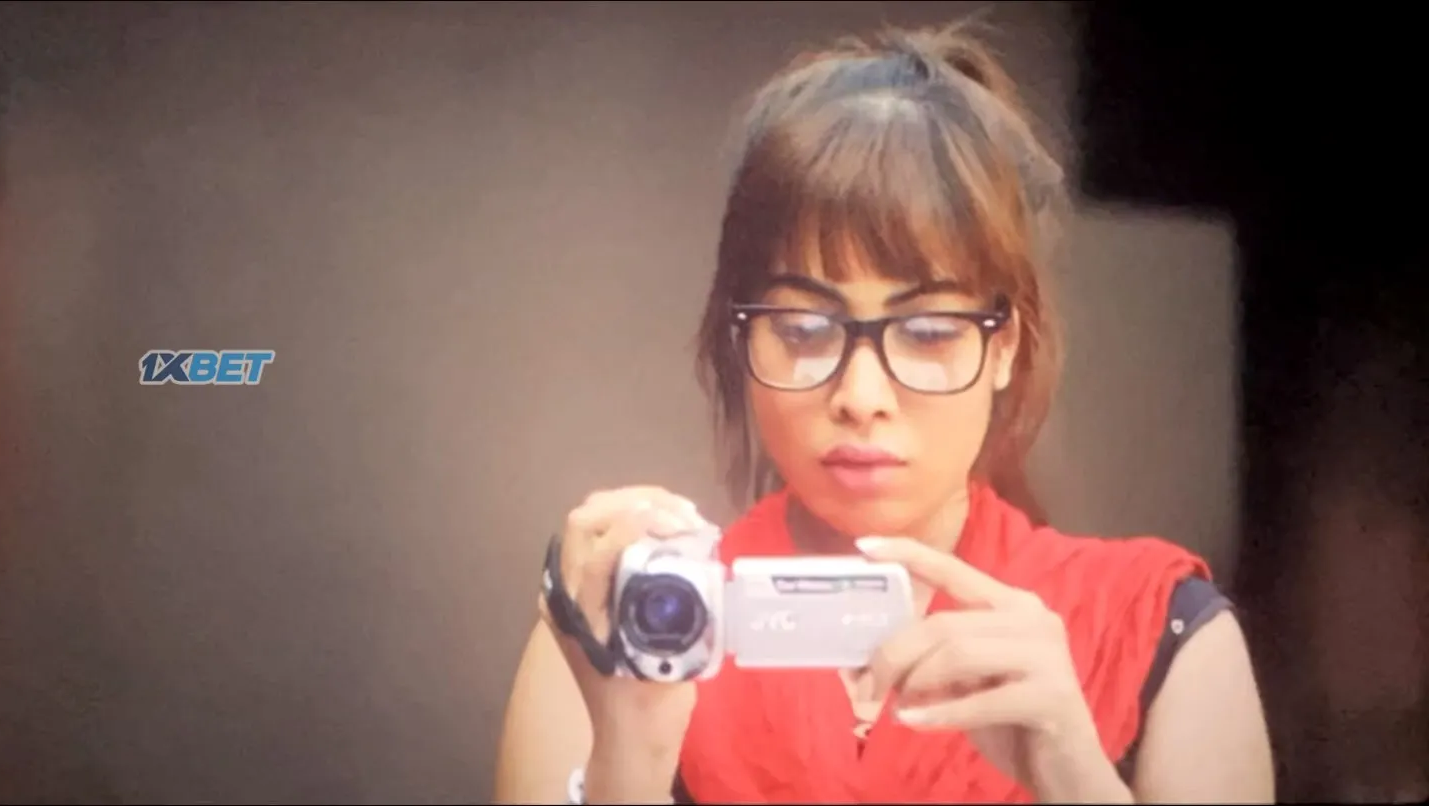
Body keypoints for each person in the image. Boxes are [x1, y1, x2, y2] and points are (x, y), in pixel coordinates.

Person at [492, 22, 1275, 805]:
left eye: (930, 331)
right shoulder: (615, 628)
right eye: (803, 329)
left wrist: (1075, 774)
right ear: (739, 340)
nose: (861, 397)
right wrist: (628, 759)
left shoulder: (1159, 627)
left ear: (1005, 345)